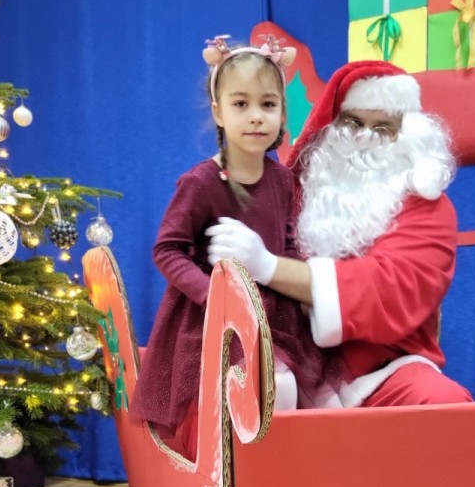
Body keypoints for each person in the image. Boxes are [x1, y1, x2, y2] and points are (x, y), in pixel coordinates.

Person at [206, 59, 475, 487]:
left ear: (408, 132)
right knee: (238, 402)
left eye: (385, 128)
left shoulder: (427, 205)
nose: (366, 140)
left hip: (384, 370)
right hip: (289, 367)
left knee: (448, 414)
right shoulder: (290, 186)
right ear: (330, 125)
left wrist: (271, 267)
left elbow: (394, 290)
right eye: (354, 123)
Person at [131, 35, 335, 456]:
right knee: (263, 387)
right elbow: (167, 250)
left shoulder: (282, 180)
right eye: (241, 104)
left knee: (294, 388)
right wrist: (214, 296)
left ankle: (277, 471)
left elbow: (288, 241)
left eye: (268, 104)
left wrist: (301, 284)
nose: (256, 116)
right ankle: (239, 471)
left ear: (282, 113)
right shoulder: (201, 183)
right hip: (212, 321)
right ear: (218, 113)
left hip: (272, 317)